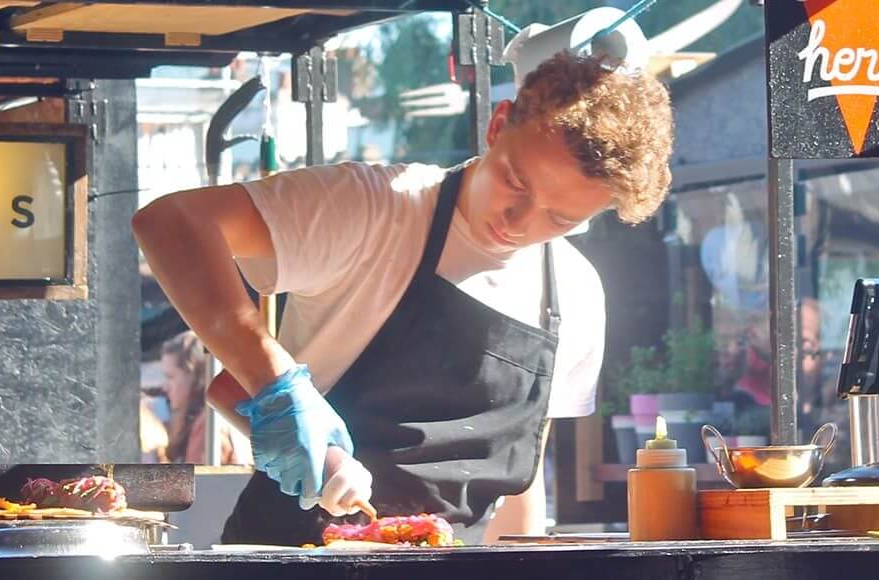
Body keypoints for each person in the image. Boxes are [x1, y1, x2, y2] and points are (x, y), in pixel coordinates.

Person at [132, 51, 674, 545]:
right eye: (516, 182)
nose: (518, 223)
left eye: (560, 218)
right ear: (498, 123)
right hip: (295, 555)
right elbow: (171, 222)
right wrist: (275, 385)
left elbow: (520, 481)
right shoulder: (376, 207)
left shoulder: (576, 295)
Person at [159, 331, 247, 465]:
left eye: (170, 377)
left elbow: (199, 483)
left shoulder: (207, 426)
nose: (165, 387)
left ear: (195, 376)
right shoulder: (210, 418)